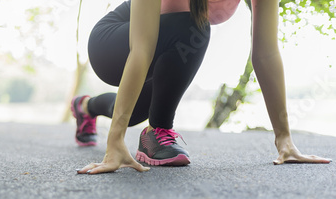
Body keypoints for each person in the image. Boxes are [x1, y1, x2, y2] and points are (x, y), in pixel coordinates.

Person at [72, 0, 331, 175]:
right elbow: (142, 48)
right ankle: (158, 130)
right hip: (113, 43)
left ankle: (85, 107)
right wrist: (114, 141)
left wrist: (284, 139)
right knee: (195, 25)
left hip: (164, 50)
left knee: (135, 112)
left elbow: (265, 53)